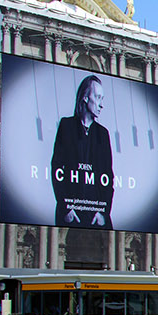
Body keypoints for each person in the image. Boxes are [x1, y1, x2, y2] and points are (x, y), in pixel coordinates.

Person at [51, 74, 114, 227]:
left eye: (102, 99)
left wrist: (103, 212)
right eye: (98, 97)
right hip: (71, 216)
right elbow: (57, 169)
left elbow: (108, 177)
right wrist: (67, 209)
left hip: (97, 218)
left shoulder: (103, 133)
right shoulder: (66, 126)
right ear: (85, 98)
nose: (101, 105)